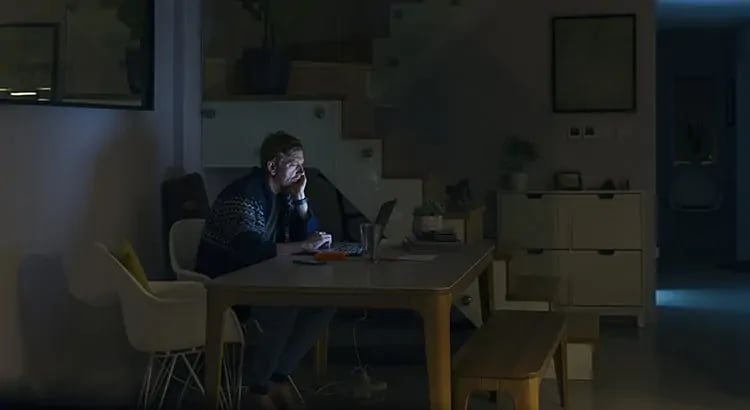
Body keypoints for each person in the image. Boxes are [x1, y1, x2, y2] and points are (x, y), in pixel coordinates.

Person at [195, 131, 335, 410]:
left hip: (263, 280)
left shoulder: (284, 195)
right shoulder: (244, 194)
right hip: (227, 287)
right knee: (283, 307)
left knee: (325, 303)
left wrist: (301, 200)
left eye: (302, 165)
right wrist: (304, 245)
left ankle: (277, 378)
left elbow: (302, 234)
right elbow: (252, 250)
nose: (301, 171)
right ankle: (257, 389)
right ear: (272, 167)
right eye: (294, 165)